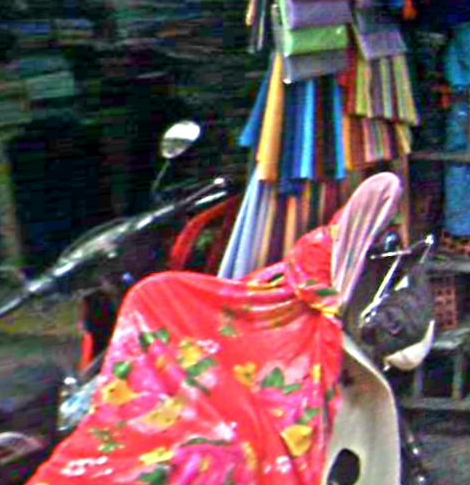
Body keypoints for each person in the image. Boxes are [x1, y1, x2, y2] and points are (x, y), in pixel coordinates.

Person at [27, 172, 402, 485]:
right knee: (155, 296)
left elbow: (306, 283)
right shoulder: (336, 247)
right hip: (269, 300)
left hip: (279, 314)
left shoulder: (341, 250)